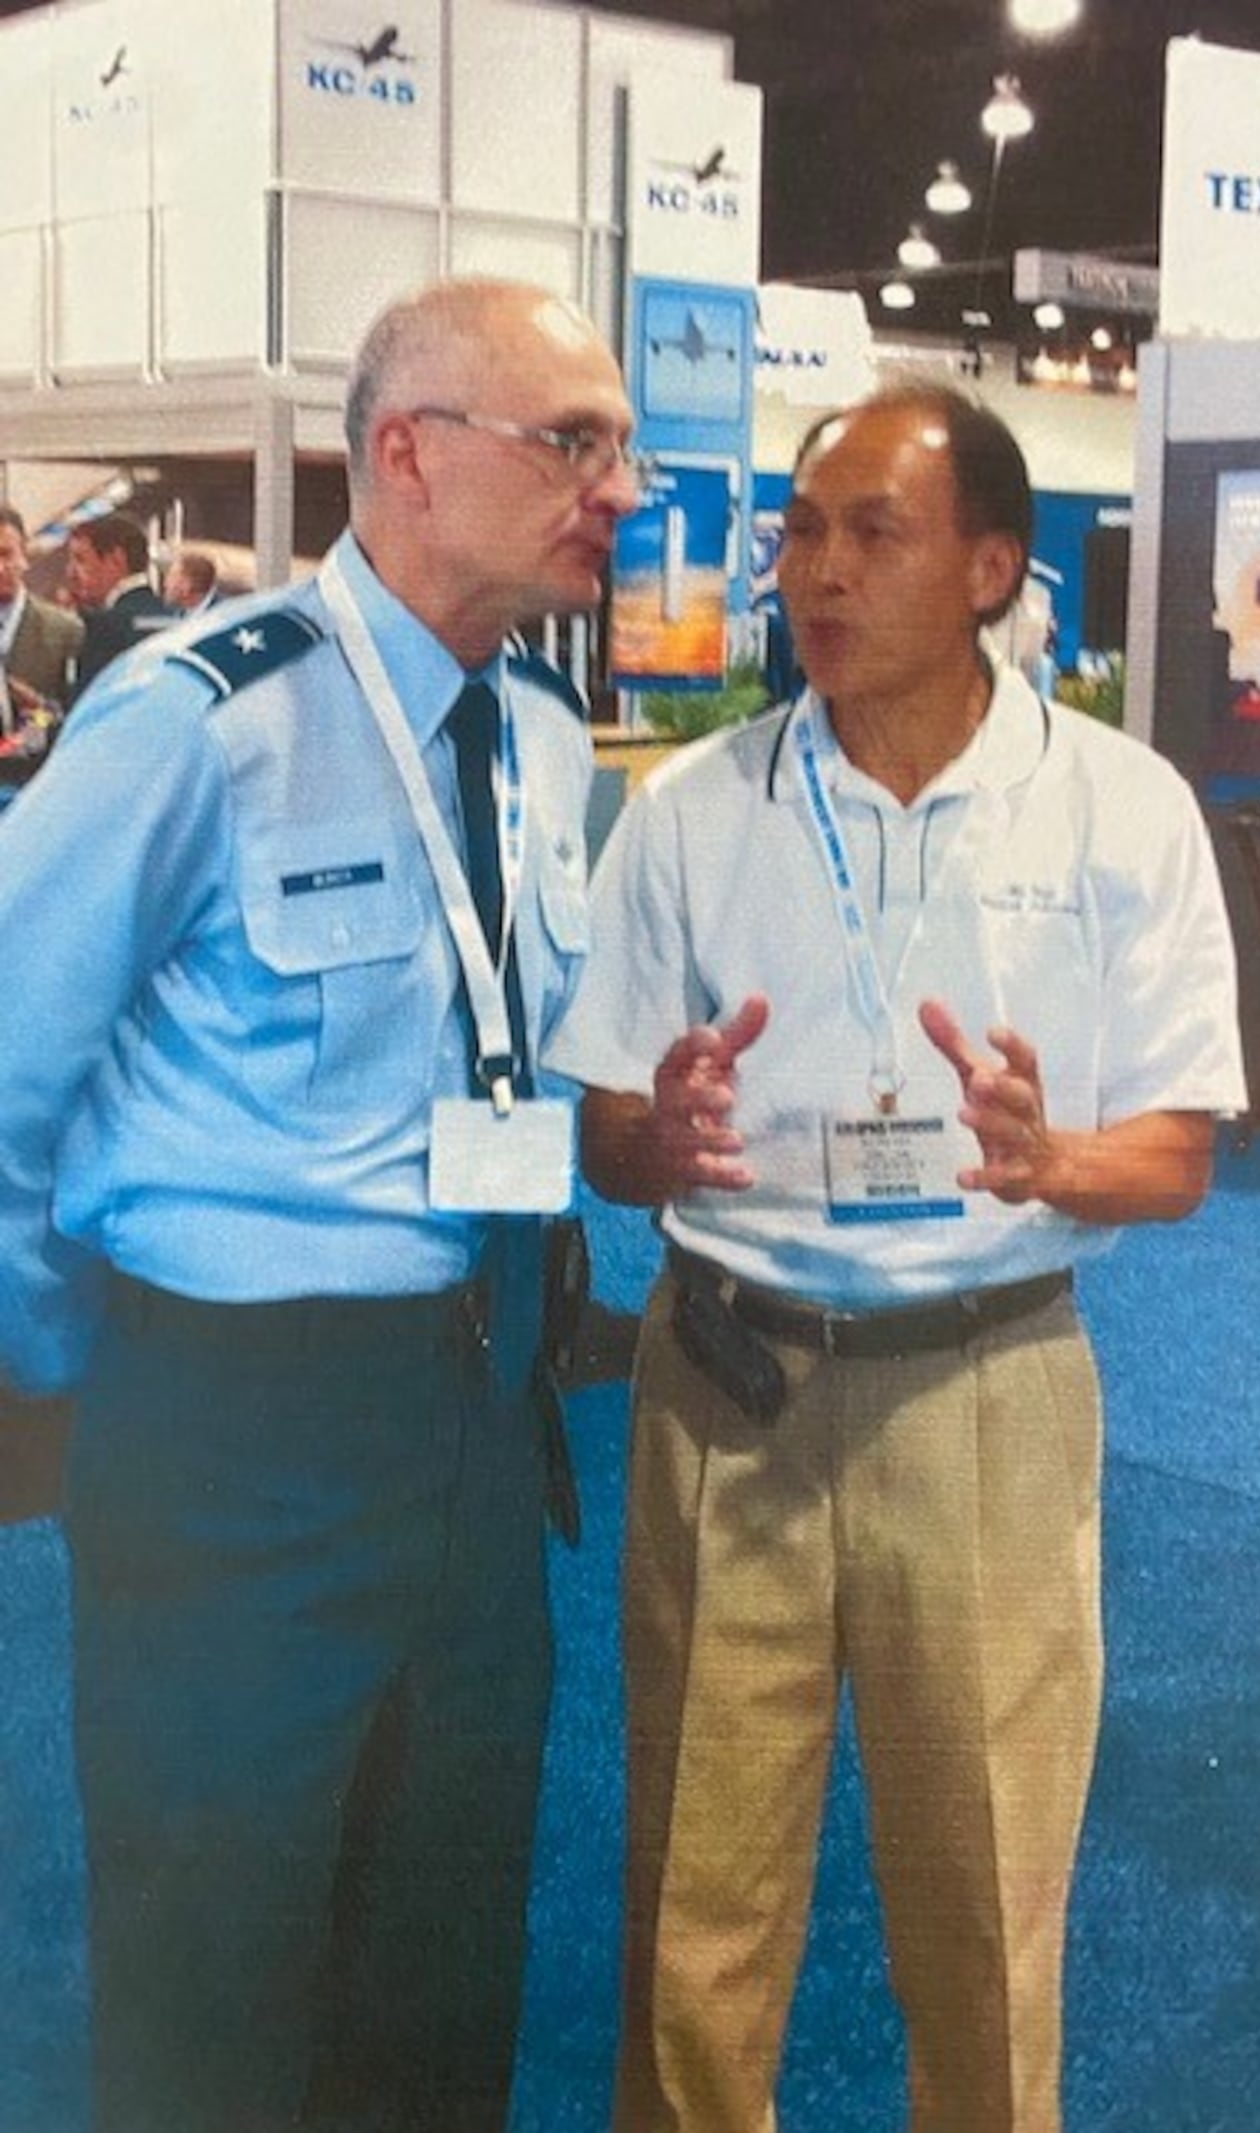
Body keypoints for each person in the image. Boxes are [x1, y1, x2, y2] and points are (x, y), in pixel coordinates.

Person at [547, 382, 1246, 2131]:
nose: (819, 571)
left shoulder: (1120, 808)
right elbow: (604, 1124)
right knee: (695, 1914)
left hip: (987, 1392)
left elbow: (1176, 1153)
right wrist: (661, 1132)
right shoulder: (695, 810)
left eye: (875, 532)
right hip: (725, 1386)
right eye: (801, 531)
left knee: (986, 1904)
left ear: (994, 567)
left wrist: (1051, 1153)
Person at [0, 275, 642, 2131]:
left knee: (443, 1984)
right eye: (573, 443)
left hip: (481, 1427)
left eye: (622, 446)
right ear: (406, 456)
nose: (619, 487)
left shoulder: (538, 733)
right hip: (233, 1437)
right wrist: (85, 1371)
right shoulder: (193, 724)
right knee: (212, 1987)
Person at [65, 511, 175, 696]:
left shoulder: (105, 627)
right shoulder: (176, 618)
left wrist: (42, 712)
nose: (71, 573)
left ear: (116, 559)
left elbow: (88, 710)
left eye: (80, 559)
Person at [0, 504, 84, 728]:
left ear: (24, 553)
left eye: (6, 554)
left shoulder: (66, 632)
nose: (0, 568)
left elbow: (73, 722)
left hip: (40, 761)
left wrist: (40, 714)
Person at [162, 545, 219, 613]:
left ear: (187, 586)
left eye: (171, 578)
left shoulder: (224, 615)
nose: (165, 584)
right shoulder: (179, 612)